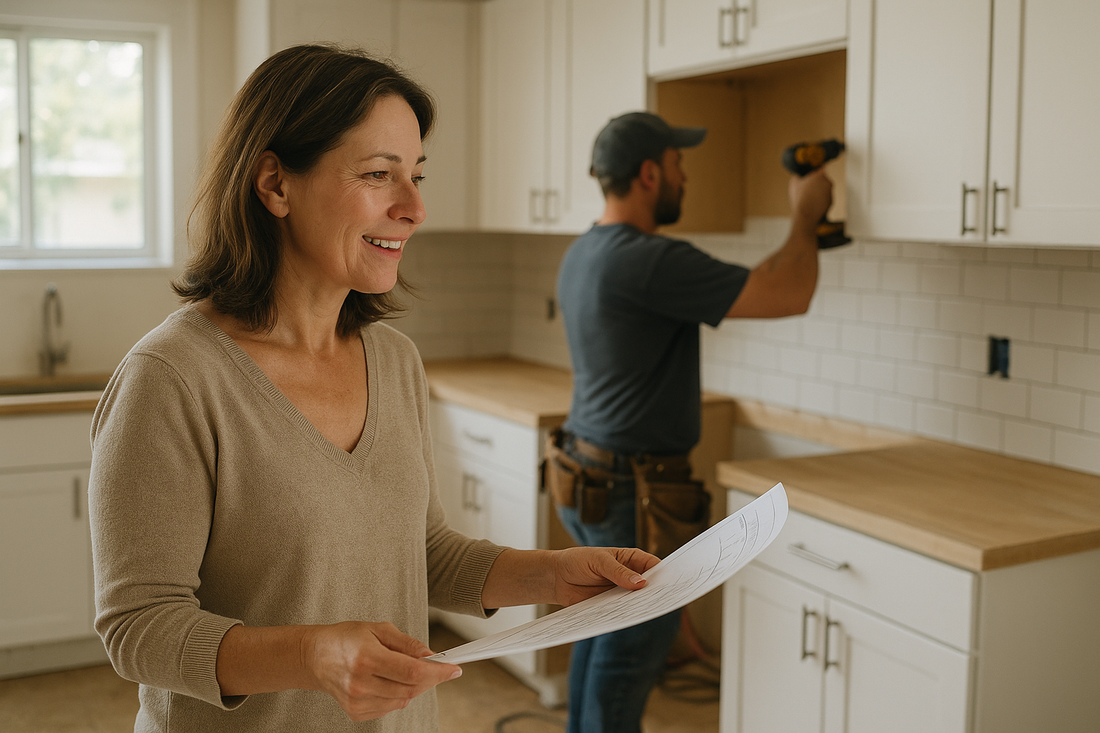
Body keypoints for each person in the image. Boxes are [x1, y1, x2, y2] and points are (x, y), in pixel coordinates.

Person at [87, 44, 659, 733]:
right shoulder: (172, 378)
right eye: (379, 175)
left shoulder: (393, 360)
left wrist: (550, 575)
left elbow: (418, 553)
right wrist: (314, 653)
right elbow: (138, 627)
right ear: (274, 183)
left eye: (416, 175)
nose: (414, 207)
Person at [551, 111, 833, 733]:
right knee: (627, 656)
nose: (687, 178)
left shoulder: (585, 250)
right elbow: (786, 293)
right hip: (634, 492)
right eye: (680, 166)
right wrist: (805, 216)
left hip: (585, 473)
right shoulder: (649, 259)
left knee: (599, 638)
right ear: (650, 174)